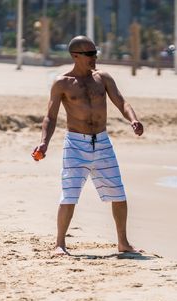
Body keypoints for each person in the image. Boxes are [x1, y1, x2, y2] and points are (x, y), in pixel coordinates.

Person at [32, 35, 144, 256]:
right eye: (90, 54)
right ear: (75, 56)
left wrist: (133, 119)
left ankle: (123, 243)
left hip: (102, 142)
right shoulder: (62, 83)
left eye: (96, 53)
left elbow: (121, 101)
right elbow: (50, 117)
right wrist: (44, 143)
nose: (95, 57)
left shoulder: (102, 78)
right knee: (69, 195)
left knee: (119, 194)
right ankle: (60, 244)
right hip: (75, 145)